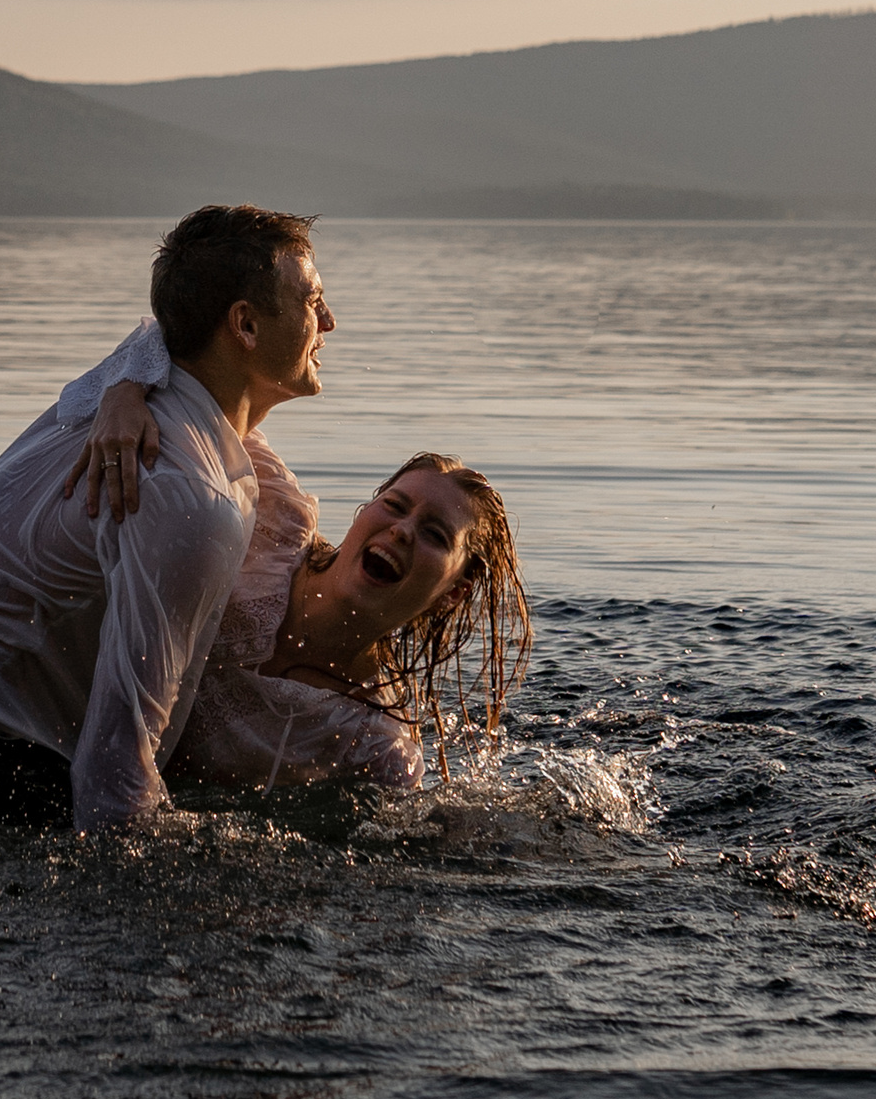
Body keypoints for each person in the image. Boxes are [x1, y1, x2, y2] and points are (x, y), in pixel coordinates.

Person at [0, 204, 333, 831]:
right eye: (312, 300)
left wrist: (126, 385)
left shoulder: (143, 396)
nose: (327, 320)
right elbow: (114, 773)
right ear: (243, 325)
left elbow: (155, 335)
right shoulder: (189, 493)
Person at [58, 334, 529, 789]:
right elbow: (177, 343)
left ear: (454, 593)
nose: (403, 530)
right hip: (49, 723)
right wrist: (124, 394)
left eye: (434, 534)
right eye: (395, 505)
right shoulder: (273, 512)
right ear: (364, 512)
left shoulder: (373, 743)